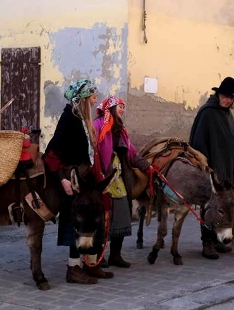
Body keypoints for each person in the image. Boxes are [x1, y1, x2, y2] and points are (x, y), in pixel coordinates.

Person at [43, 79, 114, 284]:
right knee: (77, 223)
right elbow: (52, 154)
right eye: (92, 97)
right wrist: (63, 179)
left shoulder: (81, 119)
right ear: (83, 98)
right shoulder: (69, 119)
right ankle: (73, 269)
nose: (95, 101)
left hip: (85, 181)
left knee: (91, 221)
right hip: (73, 182)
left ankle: (91, 264)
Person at [188, 76, 234, 259]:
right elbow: (198, 142)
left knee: (225, 206)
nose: (228, 100)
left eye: (231, 98)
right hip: (211, 170)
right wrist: (205, 167)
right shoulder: (207, 113)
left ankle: (218, 240)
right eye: (225, 96)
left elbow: (229, 140)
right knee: (209, 206)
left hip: (225, 169)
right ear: (218, 94)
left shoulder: (226, 114)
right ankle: (207, 243)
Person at [93, 96, 151, 268]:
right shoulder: (97, 125)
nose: (122, 109)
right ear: (110, 107)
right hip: (103, 178)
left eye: (123, 107)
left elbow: (131, 153)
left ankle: (115, 255)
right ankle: (98, 254)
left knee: (121, 216)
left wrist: (147, 166)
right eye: (120, 106)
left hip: (119, 179)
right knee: (102, 219)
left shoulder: (120, 130)